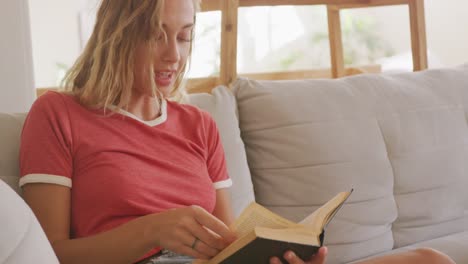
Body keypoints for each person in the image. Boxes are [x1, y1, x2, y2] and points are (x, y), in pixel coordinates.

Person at [19, 1, 455, 264]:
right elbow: (47, 254)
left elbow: (227, 247)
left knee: (430, 259)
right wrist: (152, 231)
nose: (174, 55)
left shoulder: (199, 126)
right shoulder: (58, 115)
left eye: (185, 37)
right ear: (116, 35)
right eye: (157, 36)